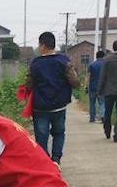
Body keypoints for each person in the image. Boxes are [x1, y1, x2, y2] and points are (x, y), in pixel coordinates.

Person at [25, 31, 80, 164]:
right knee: (59, 133)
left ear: (43, 45)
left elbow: (29, 85)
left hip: (40, 108)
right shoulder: (64, 61)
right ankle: (56, 159)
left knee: (41, 136)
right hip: (59, 106)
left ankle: (45, 163)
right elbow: (75, 82)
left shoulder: (35, 64)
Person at [87, 50, 106, 123]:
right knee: (102, 103)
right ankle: (102, 116)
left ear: (96, 56)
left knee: (92, 103)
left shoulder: (91, 65)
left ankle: (92, 118)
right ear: (103, 56)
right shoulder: (105, 65)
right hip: (102, 88)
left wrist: (86, 86)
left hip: (92, 87)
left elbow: (88, 76)